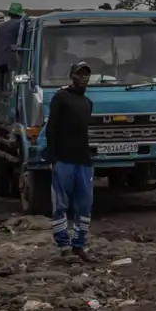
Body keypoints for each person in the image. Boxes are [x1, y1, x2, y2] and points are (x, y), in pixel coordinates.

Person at [42, 61, 95, 261]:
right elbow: (51, 129)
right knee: (60, 204)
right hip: (63, 159)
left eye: (86, 74)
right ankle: (64, 246)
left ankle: (79, 245)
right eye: (80, 74)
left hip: (83, 161)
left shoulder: (88, 103)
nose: (83, 77)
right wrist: (53, 158)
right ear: (72, 75)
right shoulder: (60, 98)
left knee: (85, 204)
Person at [0, 2, 26, 88]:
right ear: (20, 14)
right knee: (14, 85)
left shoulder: (0, 27)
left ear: (9, 13)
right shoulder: (21, 25)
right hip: (13, 61)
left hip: (0, 61)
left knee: (2, 86)